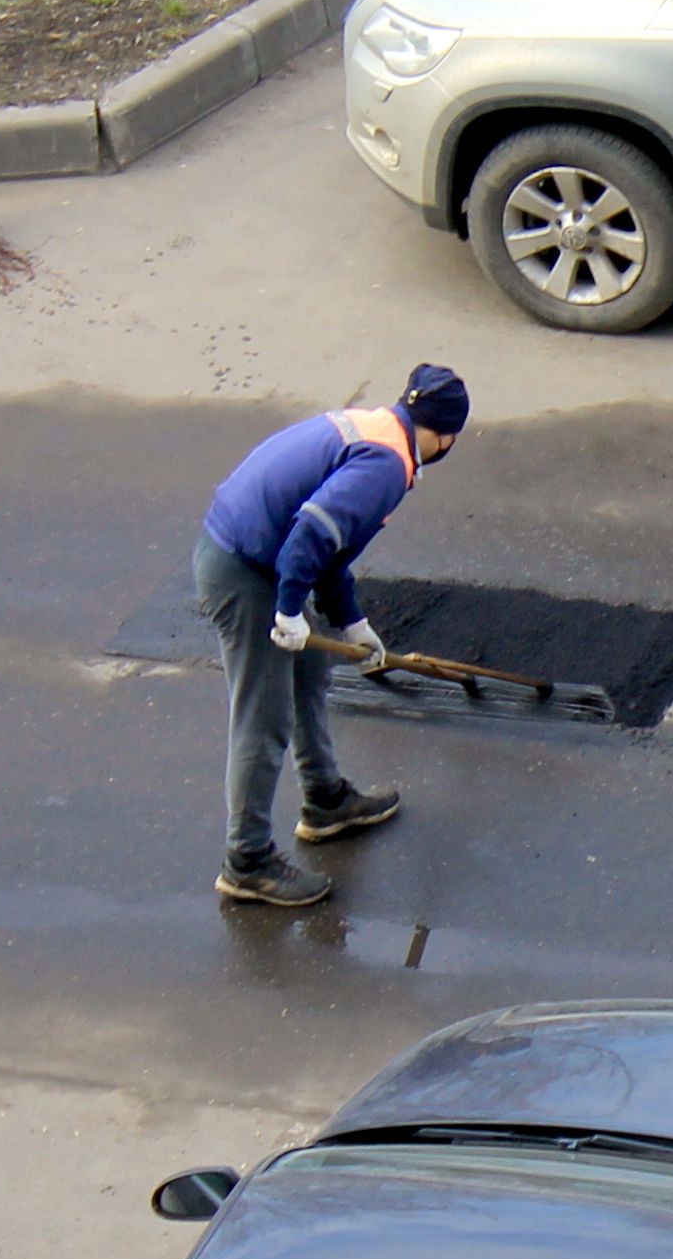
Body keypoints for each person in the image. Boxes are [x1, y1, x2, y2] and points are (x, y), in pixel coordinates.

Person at [192, 365, 470, 908]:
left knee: (308, 673)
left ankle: (325, 801)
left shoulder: (378, 427)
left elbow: (330, 550)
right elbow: (310, 537)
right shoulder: (386, 466)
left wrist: (351, 623)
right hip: (243, 570)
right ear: (447, 434)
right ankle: (245, 861)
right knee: (264, 718)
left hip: (255, 553)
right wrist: (290, 612)